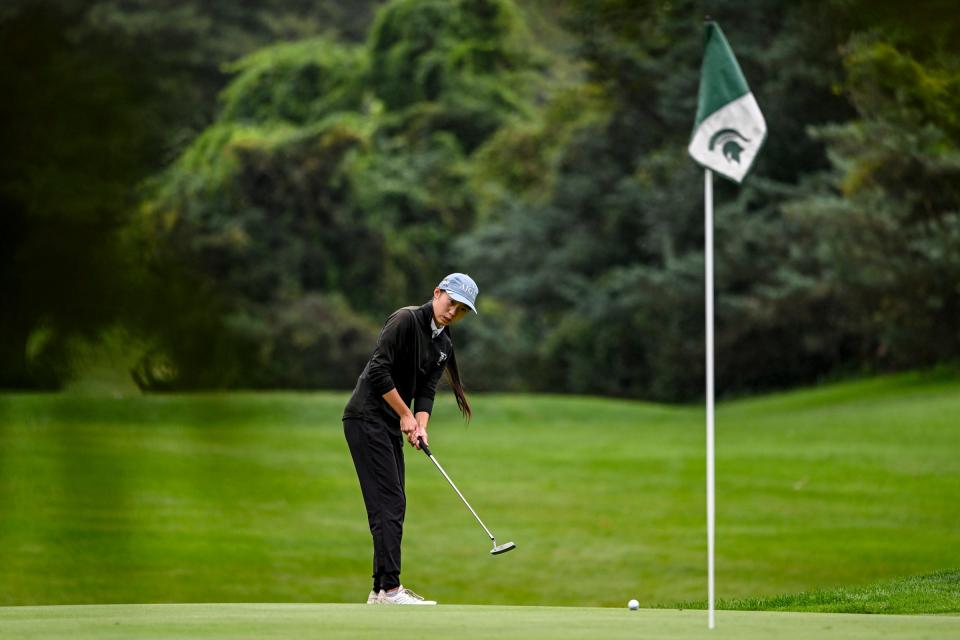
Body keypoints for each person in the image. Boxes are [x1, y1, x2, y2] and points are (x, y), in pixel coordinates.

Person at [343, 273, 478, 606]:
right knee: (389, 502)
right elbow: (378, 371)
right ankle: (389, 590)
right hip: (365, 417)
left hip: (388, 422)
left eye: (461, 310)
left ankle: (380, 591)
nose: (452, 313)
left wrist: (420, 424)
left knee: (394, 502)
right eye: (451, 303)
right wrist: (405, 414)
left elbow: (427, 390)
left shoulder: (444, 343)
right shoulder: (404, 320)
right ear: (437, 294)